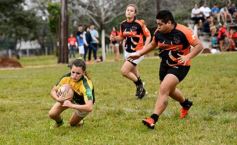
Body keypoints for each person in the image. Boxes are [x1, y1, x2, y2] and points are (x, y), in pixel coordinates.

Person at [128, 10, 203, 129]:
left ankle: (153, 118)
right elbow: (153, 44)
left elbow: (199, 46)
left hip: (181, 65)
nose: (157, 27)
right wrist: (140, 53)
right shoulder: (158, 32)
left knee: (163, 89)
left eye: (160, 24)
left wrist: (188, 56)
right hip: (165, 64)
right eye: (157, 24)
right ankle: (185, 103)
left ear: (169, 23)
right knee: (170, 90)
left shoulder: (184, 31)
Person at [110, 4, 151, 99]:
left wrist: (145, 48)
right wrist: (115, 38)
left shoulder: (139, 24)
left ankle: (140, 85)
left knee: (124, 71)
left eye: (131, 10)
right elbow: (121, 37)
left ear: (135, 13)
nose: (129, 12)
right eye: (127, 10)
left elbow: (148, 35)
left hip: (138, 52)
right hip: (127, 52)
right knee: (135, 73)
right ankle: (141, 89)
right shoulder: (123, 24)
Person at [48, 59, 95, 128]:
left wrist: (71, 105)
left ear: (83, 73)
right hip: (69, 99)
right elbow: (53, 91)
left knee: (72, 124)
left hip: (82, 104)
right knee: (52, 114)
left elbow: (89, 107)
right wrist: (58, 99)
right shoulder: (66, 78)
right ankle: (60, 122)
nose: (74, 75)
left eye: (78, 73)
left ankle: (79, 120)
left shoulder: (86, 85)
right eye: (73, 72)